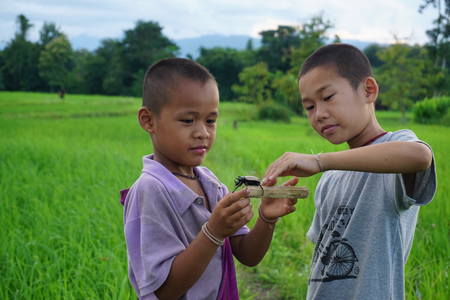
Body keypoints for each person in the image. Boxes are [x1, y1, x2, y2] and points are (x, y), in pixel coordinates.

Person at [262, 43, 437, 299]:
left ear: (368, 90)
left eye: (328, 97)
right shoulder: (330, 177)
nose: (319, 114)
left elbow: (420, 156)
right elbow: (325, 259)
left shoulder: (394, 144)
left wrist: (321, 161)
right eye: (309, 107)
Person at [121, 57, 299, 300]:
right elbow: (164, 291)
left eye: (210, 121)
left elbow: (247, 255)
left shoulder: (209, 182)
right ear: (148, 120)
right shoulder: (150, 190)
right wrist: (213, 232)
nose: (202, 133)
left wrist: (266, 217)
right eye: (187, 120)